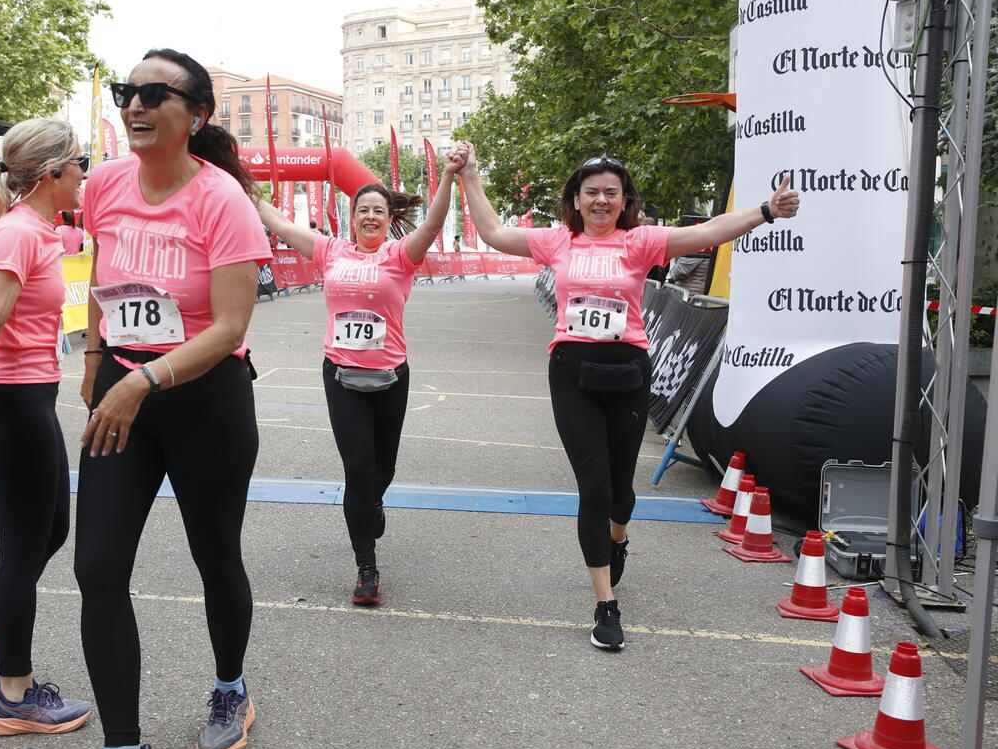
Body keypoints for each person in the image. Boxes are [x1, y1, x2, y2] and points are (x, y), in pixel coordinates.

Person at [454, 144, 800, 651]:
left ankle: (618, 537)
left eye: (609, 194)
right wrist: (471, 177)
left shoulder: (640, 242)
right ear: (575, 198)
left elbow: (705, 233)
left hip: (627, 373)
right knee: (593, 488)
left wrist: (765, 211)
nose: (600, 201)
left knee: (620, 493)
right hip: (571, 372)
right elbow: (494, 233)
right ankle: (605, 605)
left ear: (623, 200)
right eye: (590, 192)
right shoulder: (558, 241)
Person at [76, 48, 270, 749]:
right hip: (122, 394)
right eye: (129, 91)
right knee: (96, 567)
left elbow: (228, 327)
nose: (136, 105)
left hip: (205, 401)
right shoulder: (104, 186)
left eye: (156, 93)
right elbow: (102, 274)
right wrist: (98, 366)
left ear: (198, 115)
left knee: (215, 558)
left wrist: (142, 380)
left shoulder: (222, 200)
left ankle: (230, 688)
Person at [0, 117, 92, 735]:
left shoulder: (41, 230)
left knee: (50, 530)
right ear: (52, 173)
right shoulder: (12, 238)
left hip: (32, 399)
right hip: (10, 404)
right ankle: (15, 695)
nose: (85, 172)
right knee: (25, 544)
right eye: (79, 162)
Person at [255, 173, 453, 607]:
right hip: (342, 376)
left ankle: (372, 506)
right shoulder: (331, 251)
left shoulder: (400, 255)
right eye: (362, 209)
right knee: (359, 470)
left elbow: (433, 225)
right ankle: (367, 568)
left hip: (390, 377)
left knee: (382, 471)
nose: (369, 216)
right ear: (352, 217)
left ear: (387, 220)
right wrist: (247, 190)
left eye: (377, 211)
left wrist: (451, 178)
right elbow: (282, 224)